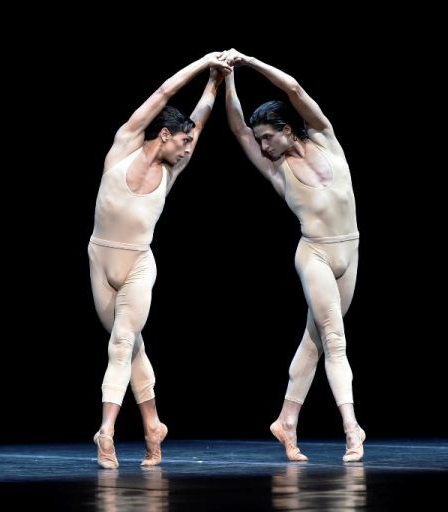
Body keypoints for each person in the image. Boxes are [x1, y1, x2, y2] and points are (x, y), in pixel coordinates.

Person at [221, 48, 365, 462]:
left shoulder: (325, 138)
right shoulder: (275, 169)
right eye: (260, 140)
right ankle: (352, 429)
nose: (262, 146)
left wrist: (250, 61)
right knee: (334, 339)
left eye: (267, 137)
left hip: (349, 251)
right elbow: (238, 129)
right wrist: (229, 78)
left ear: (287, 129)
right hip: (314, 254)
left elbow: (296, 89)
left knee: (314, 341)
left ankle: (286, 420)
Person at [89, 53, 230, 469]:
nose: (188, 148)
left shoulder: (173, 170)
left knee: (121, 343)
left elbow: (198, 121)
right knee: (132, 346)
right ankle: (154, 426)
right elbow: (164, 92)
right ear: (164, 134)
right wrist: (203, 63)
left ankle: (106, 432)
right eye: (183, 140)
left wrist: (214, 83)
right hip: (100, 261)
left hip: (138, 265)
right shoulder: (123, 147)